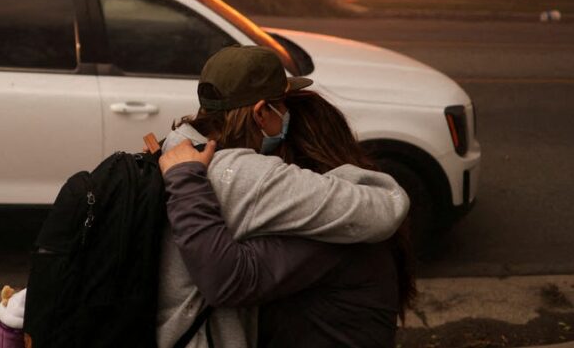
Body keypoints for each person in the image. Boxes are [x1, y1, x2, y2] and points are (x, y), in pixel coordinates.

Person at [153, 46, 410, 348]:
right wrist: (321, 185)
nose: (285, 115)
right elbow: (388, 205)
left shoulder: (173, 149)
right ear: (262, 112)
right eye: (283, 104)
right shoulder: (253, 176)